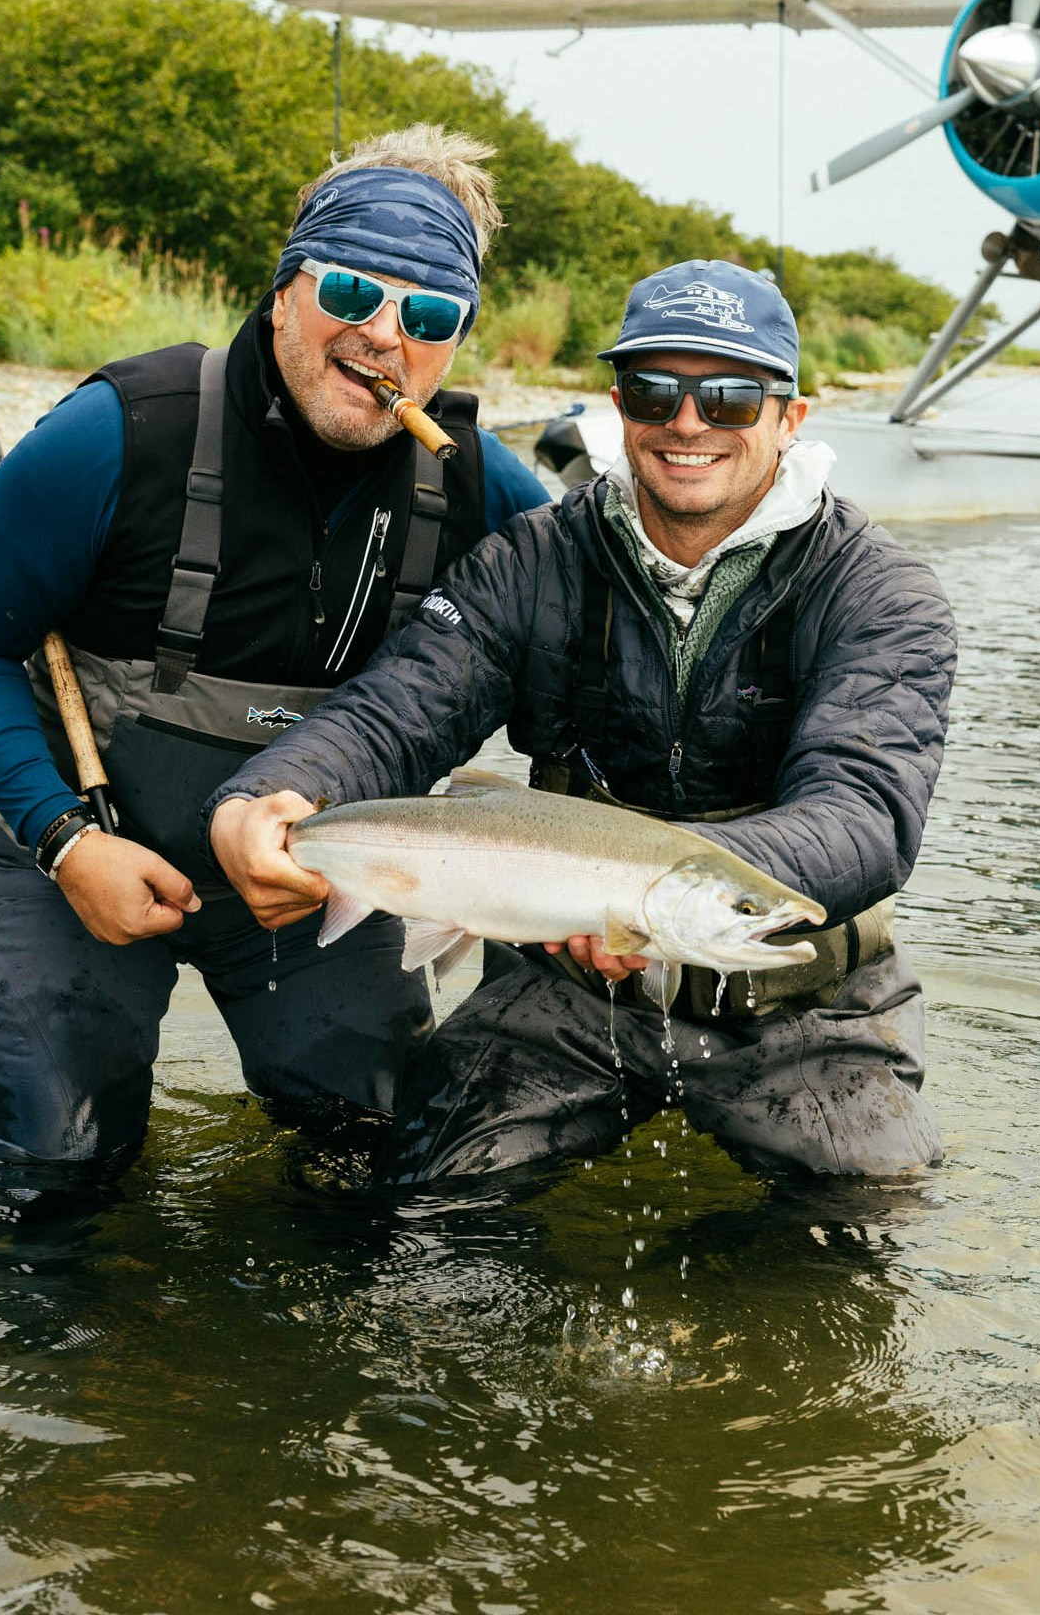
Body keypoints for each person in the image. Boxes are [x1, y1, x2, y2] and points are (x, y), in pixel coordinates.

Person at [208, 259, 957, 1183]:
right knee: (432, 1198)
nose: (687, 423)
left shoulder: (881, 593)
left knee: (863, 1223)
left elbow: (865, 815)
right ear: (618, 405)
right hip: (562, 992)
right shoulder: (529, 559)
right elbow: (396, 713)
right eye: (655, 391)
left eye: (727, 398)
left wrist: (646, 892)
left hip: (805, 1004)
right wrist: (265, 796)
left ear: (787, 419)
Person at [0, 124, 550, 1175]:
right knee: (51, 1176)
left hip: (316, 887)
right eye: (352, 293)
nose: (385, 335)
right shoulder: (120, 432)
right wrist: (66, 843)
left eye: (429, 313)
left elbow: (600, 662)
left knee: (377, 1167)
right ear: (287, 285)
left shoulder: (488, 494)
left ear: (456, 338)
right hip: (77, 848)